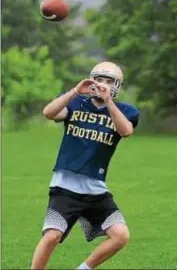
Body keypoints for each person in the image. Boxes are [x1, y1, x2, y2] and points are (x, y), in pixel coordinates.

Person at [31, 61, 139, 269]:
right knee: (52, 236)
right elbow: (49, 112)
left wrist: (108, 102)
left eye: (109, 81)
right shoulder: (76, 103)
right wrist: (74, 92)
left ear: (118, 86)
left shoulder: (126, 110)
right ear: (91, 80)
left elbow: (125, 131)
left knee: (121, 235)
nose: (103, 84)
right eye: (99, 79)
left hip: (95, 190)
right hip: (65, 187)